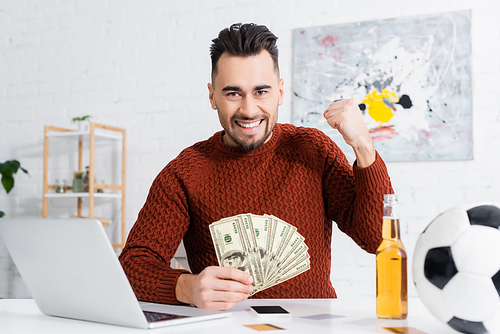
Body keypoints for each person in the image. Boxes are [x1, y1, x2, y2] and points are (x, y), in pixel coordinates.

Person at [119, 22, 393, 311]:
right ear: (212, 96)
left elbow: (379, 239)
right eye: (233, 93)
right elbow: (133, 266)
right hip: (225, 328)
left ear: (281, 92)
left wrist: (363, 144)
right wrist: (186, 287)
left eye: (261, 91)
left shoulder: (313, 149)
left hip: (312, 327)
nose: (249, 110)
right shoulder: (185, 172)